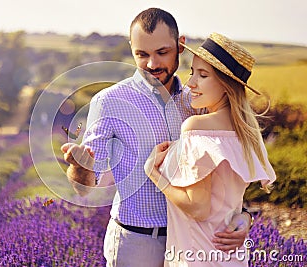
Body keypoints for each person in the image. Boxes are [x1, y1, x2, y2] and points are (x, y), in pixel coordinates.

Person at [61, 8, 253, 267]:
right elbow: (85, 187)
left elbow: (225, 176)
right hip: (136, 243)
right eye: (142, 54)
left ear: (180, 45)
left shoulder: (197, 103)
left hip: (190, 243)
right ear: (131, 49)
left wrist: (243, 216)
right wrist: (80, 166)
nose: (152, 64)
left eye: (162, 52)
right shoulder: (110, 102)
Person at [144, 32, 276, 266]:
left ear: (226, 85)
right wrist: (246, 218)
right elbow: (227, 201)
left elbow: (199, 208)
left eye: (203, 75)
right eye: (193, 72)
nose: (191, 83)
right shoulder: (247, 132)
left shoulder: (196, 127)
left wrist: (154, 174)